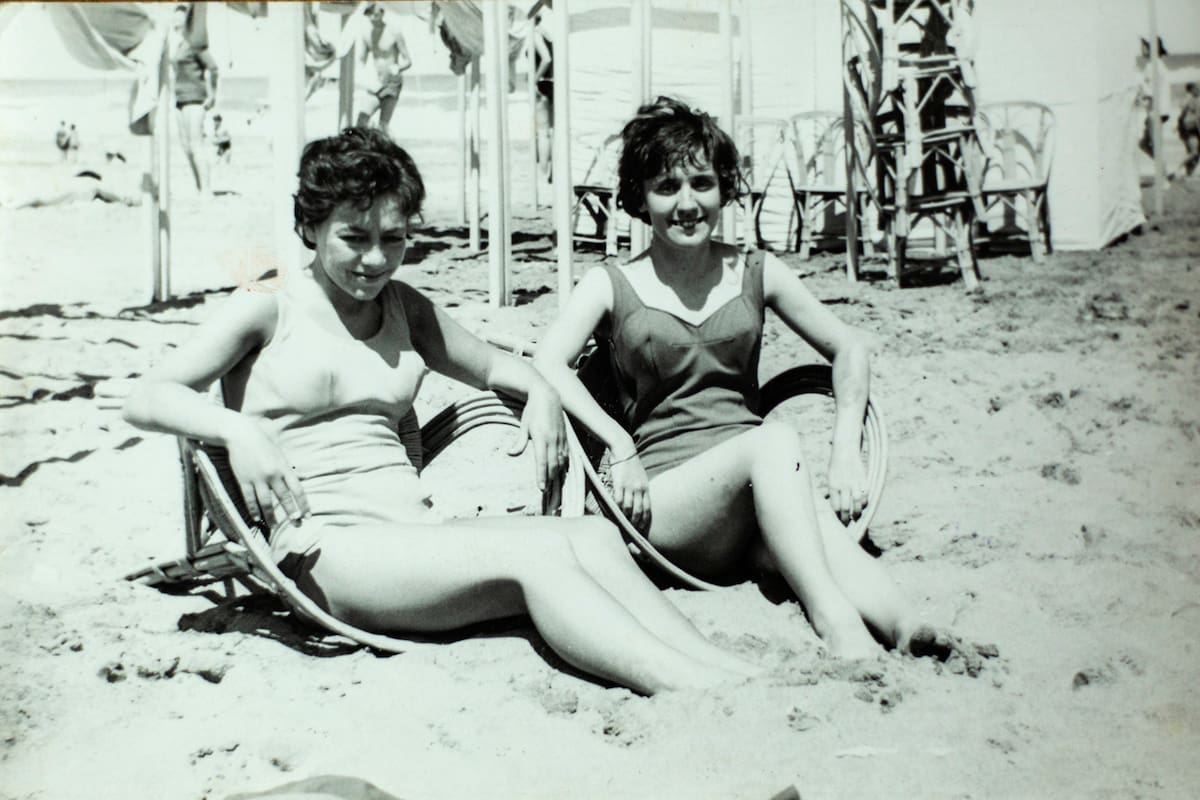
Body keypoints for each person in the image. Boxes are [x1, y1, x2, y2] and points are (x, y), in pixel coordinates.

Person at [121, 127, 758, 696]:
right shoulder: (268, 304)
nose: (375, 259)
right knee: (536, 561)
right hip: (324, 552)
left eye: (393, 238)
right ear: (309, 226)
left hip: (413, 539)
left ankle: (725, 670)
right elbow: (146, 397)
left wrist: (538, 396)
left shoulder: (404, 307)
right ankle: (691, 687)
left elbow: (503, 367)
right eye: (354, 237)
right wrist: (237, 429)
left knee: (590, 537)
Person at [534, 97, 956, 661]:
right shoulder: (611, 283)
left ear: (724, 187)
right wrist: (617, 442)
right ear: (639, 197)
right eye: (666, 187)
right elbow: (547, 361)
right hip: (664, 507)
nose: (687, 204)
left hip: (755, 497)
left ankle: (906, 626)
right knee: (775, 443)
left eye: (702, 183)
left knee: (815, 522)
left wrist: (845, 448)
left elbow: (849, 345)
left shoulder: (757, 271)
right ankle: (837, 625)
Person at [334, 2, 412, 135]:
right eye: (369, 15)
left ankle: (382, 151)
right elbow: (361, 61)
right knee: (361, 121)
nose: (372, 18)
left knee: (383, 125)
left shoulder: (394, 32)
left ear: (382, 13)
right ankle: (364, 149)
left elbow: (408, 61)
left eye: (375, 15)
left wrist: (398, 68)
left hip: (393, 83)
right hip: (376, 83)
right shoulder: (366, 34)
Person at [171, 2, 219, 193]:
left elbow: (213, 68)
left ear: (187, 21)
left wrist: (212, 94)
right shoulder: (179, 45)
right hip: (179, 98)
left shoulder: (195, 45)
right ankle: (199, 187)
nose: (175, 19)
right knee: (186, 147)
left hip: (195, 99)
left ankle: (206, 190)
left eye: (180, 16)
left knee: (196, 144)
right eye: (175, 15)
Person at [0, 152, 140, 209]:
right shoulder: (90, 185)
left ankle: (11, 205)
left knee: (40, 199)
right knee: (40, 200)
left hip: (65, 192)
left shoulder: (84, 184)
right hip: (72, 192)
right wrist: (122, 201)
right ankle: (11, 206)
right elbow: (105, 193)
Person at [1171, 82, 1200, 180]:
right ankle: (1176, 170)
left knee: (1193, 152)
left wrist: (1178, 126)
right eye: (1197, 88)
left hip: (1189, 128)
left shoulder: (1192, 99)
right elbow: (1195, 116)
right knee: (1194, 152)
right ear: (1191, 89)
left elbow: (1183, 115)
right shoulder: (1190, 99)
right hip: (1191, 128)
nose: (1198, 90)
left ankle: (1188, 174)